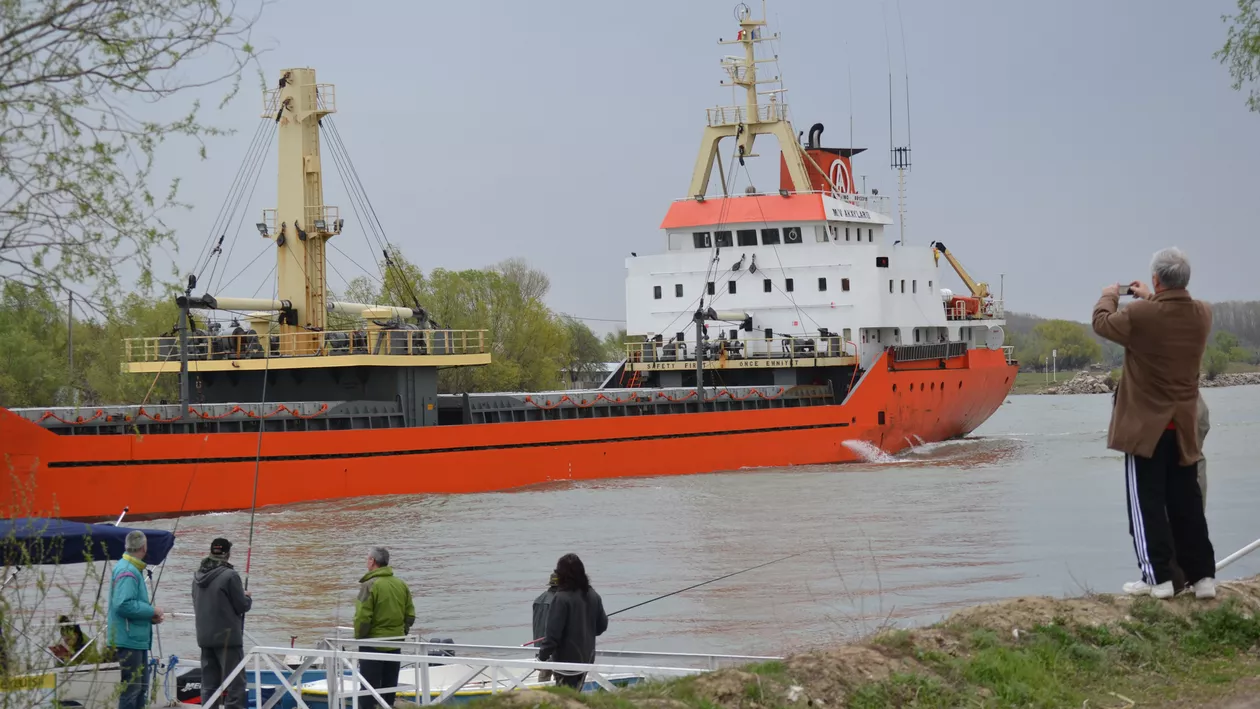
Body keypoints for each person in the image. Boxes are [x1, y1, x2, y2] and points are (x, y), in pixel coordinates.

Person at [1092, 247, 1216, 600]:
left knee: (1146, 505)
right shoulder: (1202, 314)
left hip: (1147, 429)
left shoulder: (1142, 315)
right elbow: (1170, 312)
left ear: (1156, 279)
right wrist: (1151, 297)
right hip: (1184, 428)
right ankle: (1203, 578)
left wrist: (1109, 295)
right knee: (1186, 503)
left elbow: (1102, 323)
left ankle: (1157, 578)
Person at [192, 538, 252, 709]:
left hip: (204, 636)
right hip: (227, 638)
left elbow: (195, 601)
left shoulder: (197, 576)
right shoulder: (230, 575)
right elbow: (241, 605)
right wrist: (247, 597)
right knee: (235, 683)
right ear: (227, 553)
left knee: (209, 683)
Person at [107, 530, 164, 709]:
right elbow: (123, 604)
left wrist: (150, 618)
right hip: (129, 639)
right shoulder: (128, 571)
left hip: (135, 637)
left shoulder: (129, 568)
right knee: (132, 690)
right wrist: (151, 610)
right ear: (144, 547)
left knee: (140, 688)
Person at [354, 547, 415, 708]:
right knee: (389, 689)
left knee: (368, 690)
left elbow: (362, 618)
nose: (366, 561)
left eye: (367, 558)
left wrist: (360, 638)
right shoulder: (401, 584)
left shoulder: (369, 585)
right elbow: (410, 615)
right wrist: (401, 633)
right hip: (395, 644)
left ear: (373, 561)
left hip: (373, 645)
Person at [537, 554, 608, 691]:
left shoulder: (561, 598)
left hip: (565, 663)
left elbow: (553, 635)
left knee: (566, 698)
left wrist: (542, 657)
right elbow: (601, 626)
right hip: (586, 658)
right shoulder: (594, 595)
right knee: (576, 695)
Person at [531, 573, 559, 682]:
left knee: (544, 674)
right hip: (553, 643)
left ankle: (541, 694)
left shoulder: (539, 598)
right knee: (559, 674)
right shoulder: (558, 601)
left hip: (539, 642)